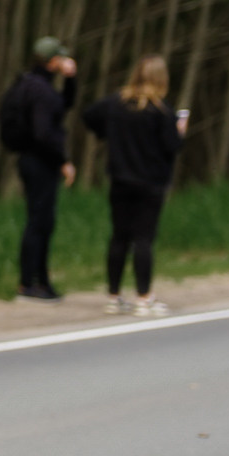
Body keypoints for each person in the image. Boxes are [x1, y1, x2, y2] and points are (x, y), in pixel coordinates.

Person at [80, 55, 187, 316]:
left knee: (119, 237)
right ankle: (143, 298)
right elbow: (173, 147)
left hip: (120, 179)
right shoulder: (162, 111)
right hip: (150, 183)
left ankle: (114, 297)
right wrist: (180, 130)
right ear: (162, 79)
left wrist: (107, 132)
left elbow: (88, 116)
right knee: (143, 239)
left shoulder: (116, 103)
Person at [0, 37, 79, 301]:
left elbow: (63, 106)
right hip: (40, 162)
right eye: (61, 59)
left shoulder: (29, 84)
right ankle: (28, 284)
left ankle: (41, 281)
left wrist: (70, 79)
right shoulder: (41, 91)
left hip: (31, 160)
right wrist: (63, 161)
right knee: (39, 222)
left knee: (44, 221)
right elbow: (44, 133)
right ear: (53, 61)